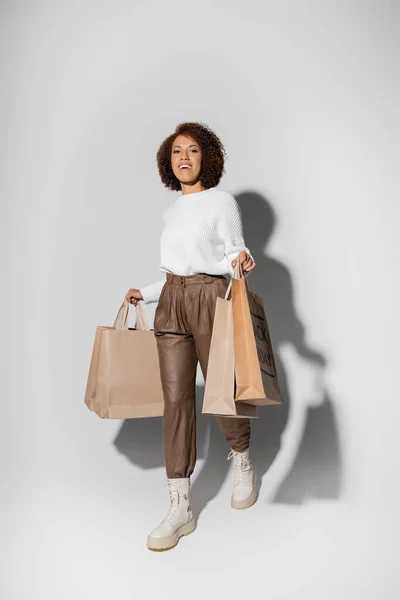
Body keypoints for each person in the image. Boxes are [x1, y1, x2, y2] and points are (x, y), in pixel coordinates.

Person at [125, 122, 257, 552]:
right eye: (177, 151)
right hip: (172, 302)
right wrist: (143, 294)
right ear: (169, 161)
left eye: (193, 150)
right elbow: (175, 272)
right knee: (175, 399)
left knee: (222, 388)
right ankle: (179, 506)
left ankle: (241, 459)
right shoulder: (171, 212)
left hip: (210, 297)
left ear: (207, 158)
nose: (184, 157)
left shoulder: (222, 202)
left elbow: (234, 249)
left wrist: (242, 258)